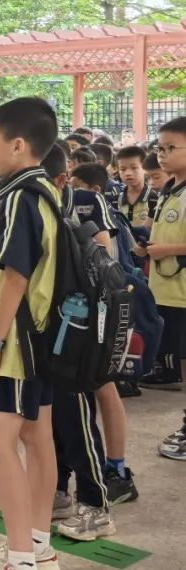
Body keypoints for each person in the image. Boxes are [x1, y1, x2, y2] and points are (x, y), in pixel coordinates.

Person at [0, 97, 60, 570]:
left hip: (18, 344)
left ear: (18, 144)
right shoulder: (46, 189)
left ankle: (20, 556)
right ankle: (37, 543)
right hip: (43, 337)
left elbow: (14, 278)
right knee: (36, 435)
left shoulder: (18, 196)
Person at [146, 117, 186, 460]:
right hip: (169, 291)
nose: (163, 154)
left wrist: (167, 250)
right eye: (160, 148)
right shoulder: (170, 190)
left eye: (171, 148)